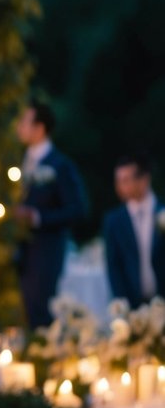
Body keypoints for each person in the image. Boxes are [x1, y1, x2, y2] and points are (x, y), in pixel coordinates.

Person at [13, 100, 88, 328]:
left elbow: (78, 209)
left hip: (47, 252)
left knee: (43, 316)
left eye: (24, 122)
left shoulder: (59, 165)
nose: (18, 128)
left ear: (40, 128)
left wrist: (37, 217)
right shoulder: (19, 163)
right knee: (26, 315)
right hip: (22, 254)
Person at [104, 153, 165, 309]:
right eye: (117, 181)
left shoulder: (162, 212)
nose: (119, 187)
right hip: (132, 305)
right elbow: (113, 266)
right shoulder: (114, 221)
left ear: (144, 180)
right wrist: (123, 306)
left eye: (125, 180)